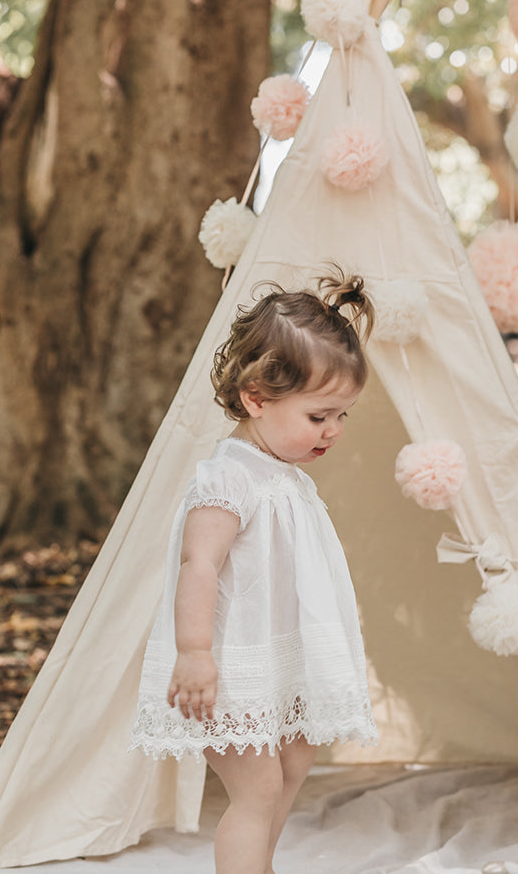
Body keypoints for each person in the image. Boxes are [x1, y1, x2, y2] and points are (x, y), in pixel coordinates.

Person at [130, 266, 378, 874]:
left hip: (277, 657)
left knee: (293, 763)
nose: (334, 431)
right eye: (319, 416)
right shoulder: (229, 476)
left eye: (343, 416)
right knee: (257, 785)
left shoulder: (283, 476)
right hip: (225, 664)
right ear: (256, 400)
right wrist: (194, 652)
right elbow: (199, 565)